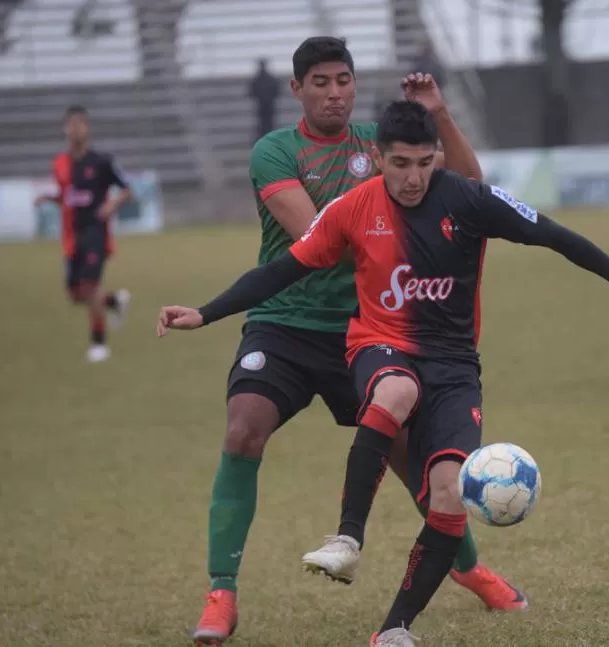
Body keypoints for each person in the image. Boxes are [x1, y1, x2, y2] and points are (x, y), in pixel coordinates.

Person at [157, 100, 609, 646]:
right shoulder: (353, 207)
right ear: (378, 157)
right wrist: (206, 312)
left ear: (437, 158)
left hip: (453, 365)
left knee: (449, 494)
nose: (413, 177)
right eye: (400, 163)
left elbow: (555, 235)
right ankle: (348, 540)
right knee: (394, 393)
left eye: (424, 163)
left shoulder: (469, 199)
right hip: (381, 345)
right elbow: (281, 270)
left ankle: (394, 629)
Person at [181, 35, 522, 647]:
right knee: (243, 428)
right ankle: (221, 596)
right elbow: (316, 233)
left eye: (343, 80)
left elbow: (470, 188)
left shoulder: (383, 143)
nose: (334, 93)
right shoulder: (274, 151)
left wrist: (435, 119)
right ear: (297, 91)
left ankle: (470, 571)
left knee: (417, 463)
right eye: (320, 83)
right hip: (285, 322)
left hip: (369, 331)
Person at [35, 106, 132, 364]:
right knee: (76, 294)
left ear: (87, 128)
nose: (76, 129)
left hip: (96, 233)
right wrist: (48, 197)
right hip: (72, 235)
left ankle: (99, 343)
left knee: (89, 287)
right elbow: (68, 198)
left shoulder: (102, 162)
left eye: (80, 124)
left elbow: (126, 189)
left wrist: (111, 205)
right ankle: (113, 301)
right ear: (65, 129)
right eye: (71, 124)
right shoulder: (61, 164)